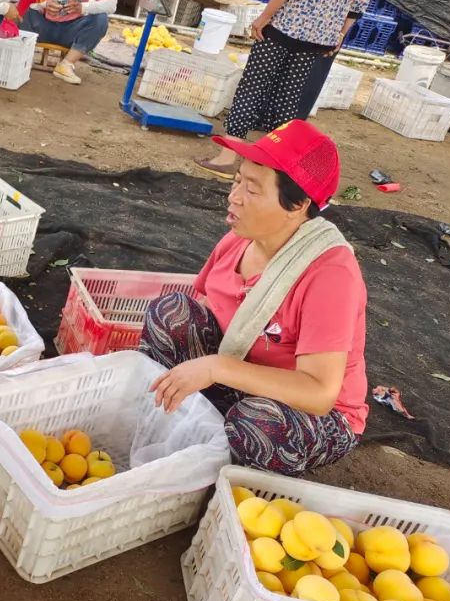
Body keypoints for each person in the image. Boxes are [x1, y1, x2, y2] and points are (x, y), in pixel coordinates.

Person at [142, 121, 366, 476]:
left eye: (253, 189)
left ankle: (219, 481)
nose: (234, 196)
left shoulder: (329, 275)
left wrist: (216, 367)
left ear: (298, 204)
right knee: (172, 313)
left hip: (305, 412)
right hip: (241, 381)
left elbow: (320, 393)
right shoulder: (239, 240)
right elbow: (200, 309)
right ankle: (181, 421)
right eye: (236, 181)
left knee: (257, 424)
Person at [194, 0, 386, 180]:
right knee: (288, 95)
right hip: (325, 29)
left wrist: (265, 16)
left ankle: (229, 157)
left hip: (290, 19)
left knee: (253, 85)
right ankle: (271, 164)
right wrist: (341, 32)